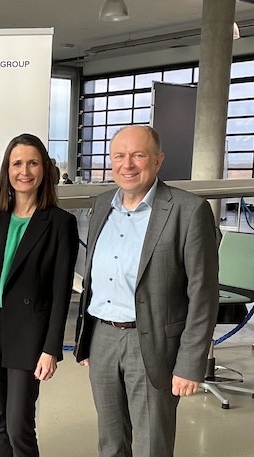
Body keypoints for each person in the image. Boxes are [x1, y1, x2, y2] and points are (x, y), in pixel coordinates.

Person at [74, 125, 219, 457]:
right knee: (110, 442)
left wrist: (189, 363)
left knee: (152, 444)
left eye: (138, 155)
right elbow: (96, 280)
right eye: (119, 156)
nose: (128, 164)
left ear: (158, 160)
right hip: (104, 338)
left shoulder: (188, 210)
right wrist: (89, 339)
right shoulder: (100, 206)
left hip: (153, 344)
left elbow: (203, 294)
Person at [0, 133, 79, 457]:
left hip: (29, 336)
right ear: (7, 170)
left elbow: (60, 290)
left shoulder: (60, 223)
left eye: (32, 163)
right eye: (17, 163)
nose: (24, 171)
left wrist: (51, 348)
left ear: (45, 170)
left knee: (18, 427)